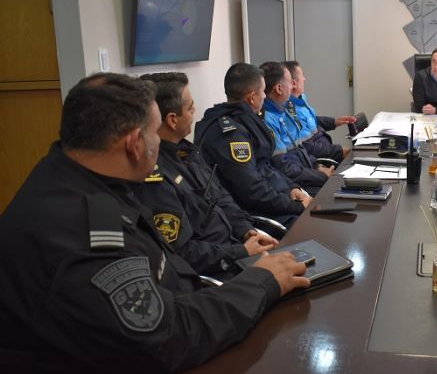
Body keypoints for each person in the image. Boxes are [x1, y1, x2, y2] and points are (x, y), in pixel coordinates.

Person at [0, 73, 309, 371]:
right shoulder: (84, 232)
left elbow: (169, 270)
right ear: (135, 143)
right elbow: (165, 336)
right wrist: (261, 283)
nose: (161, 143)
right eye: (154, 131)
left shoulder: (79, 177)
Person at [135, 72, 279, 278]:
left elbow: (220, 197)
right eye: (190, 107)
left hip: (236, 249)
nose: (195, 112)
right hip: (218, 272)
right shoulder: (155, 179)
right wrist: (242, 251)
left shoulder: (188, 153)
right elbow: (183, 253)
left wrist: (247, 230)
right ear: (172, 120)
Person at [195, 63, 311, 225]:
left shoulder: (248, 119)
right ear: (251, 97)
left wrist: (292, 188)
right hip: (258, 214)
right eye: (262, 91)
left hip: (278, 199)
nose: (265, 96)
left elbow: (267, 165)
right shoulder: (230, 134)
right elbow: (251, 190)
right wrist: (294, 206)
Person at [260, 61, 332, 195]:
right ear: (279, 89)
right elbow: (285, 168)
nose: (292, 86)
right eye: (289, 82)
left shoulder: (283, 111)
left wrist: (318, 166)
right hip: (294, 186)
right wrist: (321, 176)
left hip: (305, 174)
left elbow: (300, 149)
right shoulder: (267, 120)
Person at [283, 60, 355, 163]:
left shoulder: (300, 98)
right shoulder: (290, 112)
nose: (305, 79)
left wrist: (334, 121)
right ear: (294, 83)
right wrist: (339, 151)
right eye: (302, 76)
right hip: (318, 157)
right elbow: (307, 146)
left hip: (324, 147)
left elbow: (311, 121)